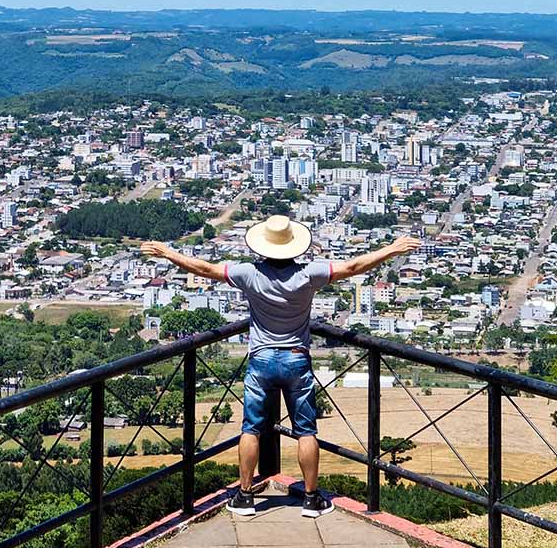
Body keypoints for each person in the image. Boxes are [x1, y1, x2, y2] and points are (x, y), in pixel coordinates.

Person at [142, 214, 421, 517]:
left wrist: (168, 253)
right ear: (295, 246)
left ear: (263, 246)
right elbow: (353, 267)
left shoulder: (248, 273)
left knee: (251, 429)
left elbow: (206, 269)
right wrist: (391, 249)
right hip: (296, 358)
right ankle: (312, 499)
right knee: (305, 431)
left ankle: (245, 496)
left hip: (261, 359)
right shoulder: (309, 274)